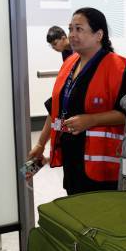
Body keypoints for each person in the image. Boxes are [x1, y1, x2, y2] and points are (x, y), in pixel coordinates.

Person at [44, 7, 126, 194]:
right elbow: (55, 108)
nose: (72, 34)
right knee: (77, 210)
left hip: (102, 166)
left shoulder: (120, 67)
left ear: (98, 35)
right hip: (73, 158)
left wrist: (92, 120)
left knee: (101, 214)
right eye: (70, 29)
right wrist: (41, 144)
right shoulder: (69, 65)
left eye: (79, 29)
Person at [28, 27, 76, 162]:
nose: (54, 48)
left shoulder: (76, 51)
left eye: (55, 44)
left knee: (57, 116)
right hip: (67, 98)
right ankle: (45, 156)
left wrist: (40, 144)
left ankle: (44, 155)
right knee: (56, 117)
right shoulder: (67, 52)